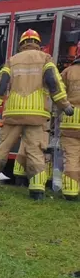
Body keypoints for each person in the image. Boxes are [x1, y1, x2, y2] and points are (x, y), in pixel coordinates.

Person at [0, 29, 74, 200]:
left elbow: (1, 87)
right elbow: (54, 84)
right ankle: (37, 191)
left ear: (22, 43)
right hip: (36, 115)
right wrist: (65, 105)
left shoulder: (12, 61)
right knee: (35, 152)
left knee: (2, 148)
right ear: (38, 43)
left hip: (13, 113)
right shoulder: (46, 59)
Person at [60, 53, 80, 200]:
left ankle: (70, 193)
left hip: (71, 119)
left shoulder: (68, 72)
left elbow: (58, 93)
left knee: (72, 157)